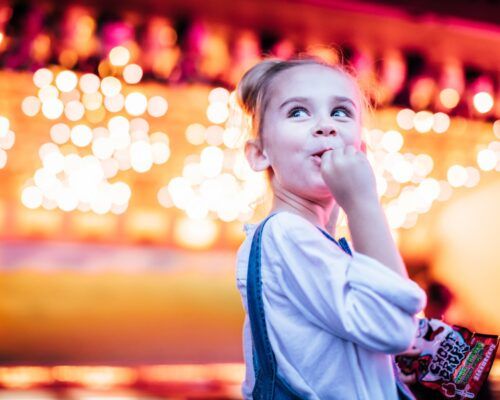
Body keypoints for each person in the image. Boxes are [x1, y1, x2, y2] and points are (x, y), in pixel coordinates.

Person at [234, 56, 427, 400]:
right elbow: (392, 327)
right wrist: (363, 202)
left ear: (361, 150)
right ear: (259, 154)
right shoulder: (285, 234)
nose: (326, 125)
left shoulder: (320, 243)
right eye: (297, 112)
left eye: (341, 112)